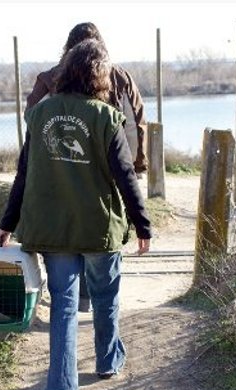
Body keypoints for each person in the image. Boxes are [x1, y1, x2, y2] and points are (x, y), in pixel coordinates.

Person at [0, 39, 152, 390]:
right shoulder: (105, 117)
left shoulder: (41, 113)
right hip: (98, 228)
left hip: (53, 230)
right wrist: (142, 223)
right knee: (105, 295)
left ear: (65, 70)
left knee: (63, 307)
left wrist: (8, 221)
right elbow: (125, 176)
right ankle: (107, 361)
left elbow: (23, 172)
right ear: (101, 75)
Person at [26, 22, 149, 313]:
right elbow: (134, 125)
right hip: (109, 171)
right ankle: (96, 299)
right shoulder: (119, 77)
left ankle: (81, 300)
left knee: (70, 228)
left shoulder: (48, 79)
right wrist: (134, 167)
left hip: (57, 173)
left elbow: (32, 119)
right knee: (99, 229)